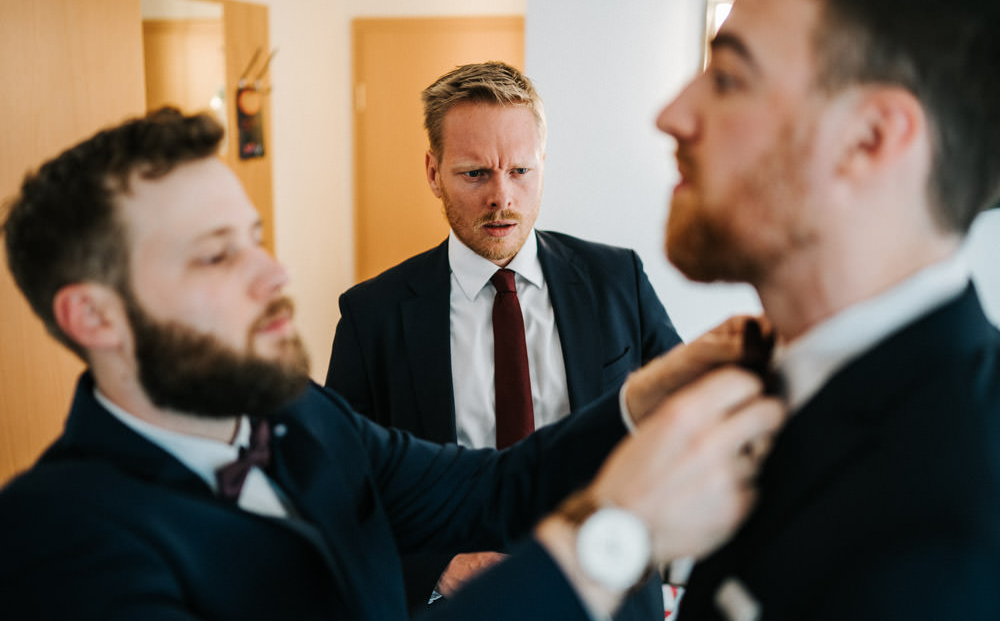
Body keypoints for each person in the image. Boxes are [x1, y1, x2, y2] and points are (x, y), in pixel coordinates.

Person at [0, 108, 784, 620]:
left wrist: (641, 398)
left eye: (256, 237)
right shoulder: (54, 538)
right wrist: (606, 537)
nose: (274, 275)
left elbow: (489, 484)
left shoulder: (300, 415)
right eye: (216, 256)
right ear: (93, 316)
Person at [653, 0, 1000, 618]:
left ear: (869, 139)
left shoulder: (957, 519)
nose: (671, 114)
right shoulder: (783, 383)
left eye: (727, 77)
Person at [325, 61, 681, 617]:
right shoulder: (372, 314)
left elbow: (678, 426)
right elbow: (342, 486)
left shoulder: (619, 281)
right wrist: (439, 567)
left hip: (609, 597)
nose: (502, 198)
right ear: (432, 171)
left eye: (520, 171)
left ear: (543, 165)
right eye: (475, 174)